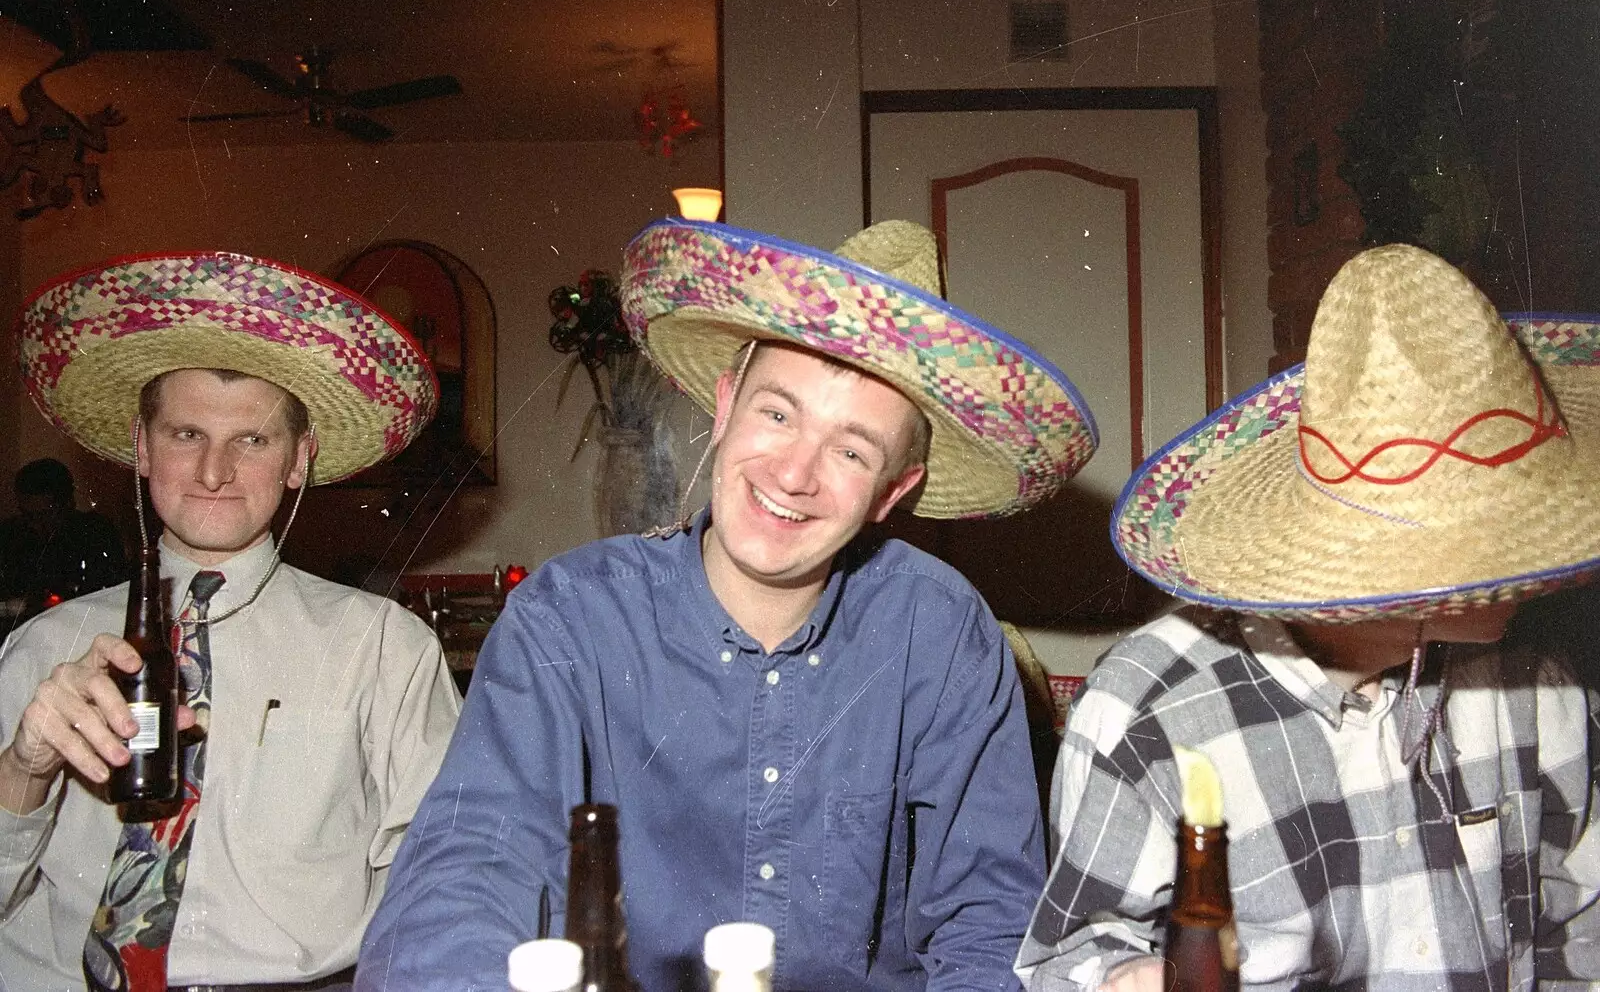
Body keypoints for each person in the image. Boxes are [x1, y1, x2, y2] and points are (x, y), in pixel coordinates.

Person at [356, 219, 1101, 990]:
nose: (794, 473)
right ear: (725, 405)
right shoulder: (570, 616)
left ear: (894, 492)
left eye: (852, 451)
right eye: (777, 414)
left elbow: (990, 924)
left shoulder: (943, 635)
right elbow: (466, 871)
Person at [1016, 244, 1600, 991]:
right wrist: (1123, 977)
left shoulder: (1546, 684)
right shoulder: (1149, 708)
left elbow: (1578, 934)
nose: (1540, 558)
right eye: (1496, 536)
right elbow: (1067, 956)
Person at [0, 252, 463, 991]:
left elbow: (449, 879)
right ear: (142, 447)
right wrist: (23, 769)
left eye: (252, 440)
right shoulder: (41, 651)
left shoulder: (383, 648)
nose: (214, 472)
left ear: (298, 460)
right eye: (186, 435)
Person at [0, 456, 126, 611]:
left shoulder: (93, 533)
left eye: (45, 514)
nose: (36, 524)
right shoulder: (11, 534)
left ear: (68, 504)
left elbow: (108, 591)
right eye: (28, 515)